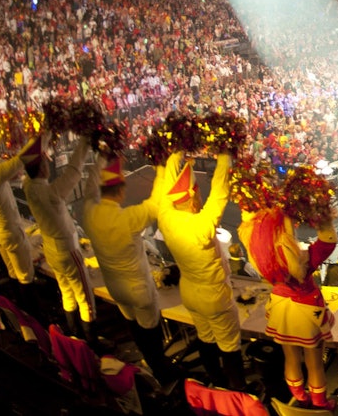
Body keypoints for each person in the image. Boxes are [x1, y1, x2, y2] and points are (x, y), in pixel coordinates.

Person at [79, 154, 175, 385]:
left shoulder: (88, 211)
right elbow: (156, 202)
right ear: (120, 190)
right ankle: (162, 375)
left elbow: (90, 188)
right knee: (151, 333)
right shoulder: (128, 218)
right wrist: (163, 168)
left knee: (134, 327)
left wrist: (101, 155)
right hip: (138, 289)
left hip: (115, 287)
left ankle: (149, 366)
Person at [158, 151, 245, 390]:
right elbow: (220, 192)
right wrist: (225, 156)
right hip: (214, 296)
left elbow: (167, 187)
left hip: (190, 293)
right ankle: (237, 393)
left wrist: (175, 154)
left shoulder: (165, 217)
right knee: (229, 347)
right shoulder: (201, 224)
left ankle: (215, 384)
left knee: (206, 340)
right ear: (194, 198)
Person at [237, 207, 338, 409]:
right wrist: (324, 220)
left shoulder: (262, 259)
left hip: (281, 308)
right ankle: (320, 402)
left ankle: (299, 398)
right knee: (314, 363)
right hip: (306, 312)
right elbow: (327, 242)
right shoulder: (300, 259)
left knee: (290, 358)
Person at [20, 132, 97, 345]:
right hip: (67, 250)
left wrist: (46, 134)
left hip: (52, 250)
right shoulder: (49, 193)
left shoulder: (28, 186)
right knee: (85, 297)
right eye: (45, 161)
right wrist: (84, 143)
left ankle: (74, 336)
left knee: (67, 293)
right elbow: (72, 173)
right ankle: (92, 344)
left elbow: (30, 158)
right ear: (42, 168)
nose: (48, 163)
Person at [0, 129, 41, 314]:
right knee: (25, 276)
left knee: (13, 273)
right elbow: (21, 159)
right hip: (10, 234)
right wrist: (41, 136)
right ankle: (34, 318)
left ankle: (20, 313)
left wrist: (5, 132)